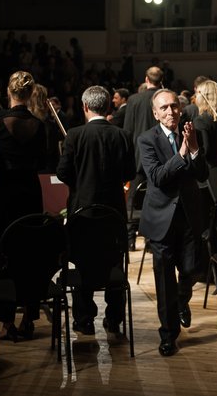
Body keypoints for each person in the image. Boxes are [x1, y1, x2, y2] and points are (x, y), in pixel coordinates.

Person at [56, 85, 135, 335]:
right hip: (113, 213)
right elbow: (130, 173)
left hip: (83, 213)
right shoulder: (122, 135)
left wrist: (80, 183)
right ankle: (114, 319)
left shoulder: (75, 135)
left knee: (82, 265)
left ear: (85, 107)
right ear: (108, 107)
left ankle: (83, 319)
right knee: (114, 264)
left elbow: (62, 172)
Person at [137, 89, 209, 357]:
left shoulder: (191, 132)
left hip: (189, 216)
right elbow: (157, 177)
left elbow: (202, 174)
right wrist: (181, 154)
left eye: (175, 106)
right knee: (164, 281)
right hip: (160, 219)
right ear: (155, 113)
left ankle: (182, 300)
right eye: (164, 108)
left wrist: (194, 149)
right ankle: (168, 335)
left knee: (192, 269)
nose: (171, 112)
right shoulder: (146, 139)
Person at [0, 70, 47, 341]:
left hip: (5, 193)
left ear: (9, 92)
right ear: (31, 93)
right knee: (31, 255)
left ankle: (5, 322)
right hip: (30, 193)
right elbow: (45, 163)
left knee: (3, 256)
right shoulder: (39, 124)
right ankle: (27, 318)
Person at [123, 66, 164, 250]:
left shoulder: (134, 100)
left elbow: (128, 131)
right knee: (154, 198)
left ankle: (130, 239)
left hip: (138, 156)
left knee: (132, 199)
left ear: (146, 79)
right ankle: (150, 240)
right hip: (160, 157)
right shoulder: (164, 98)